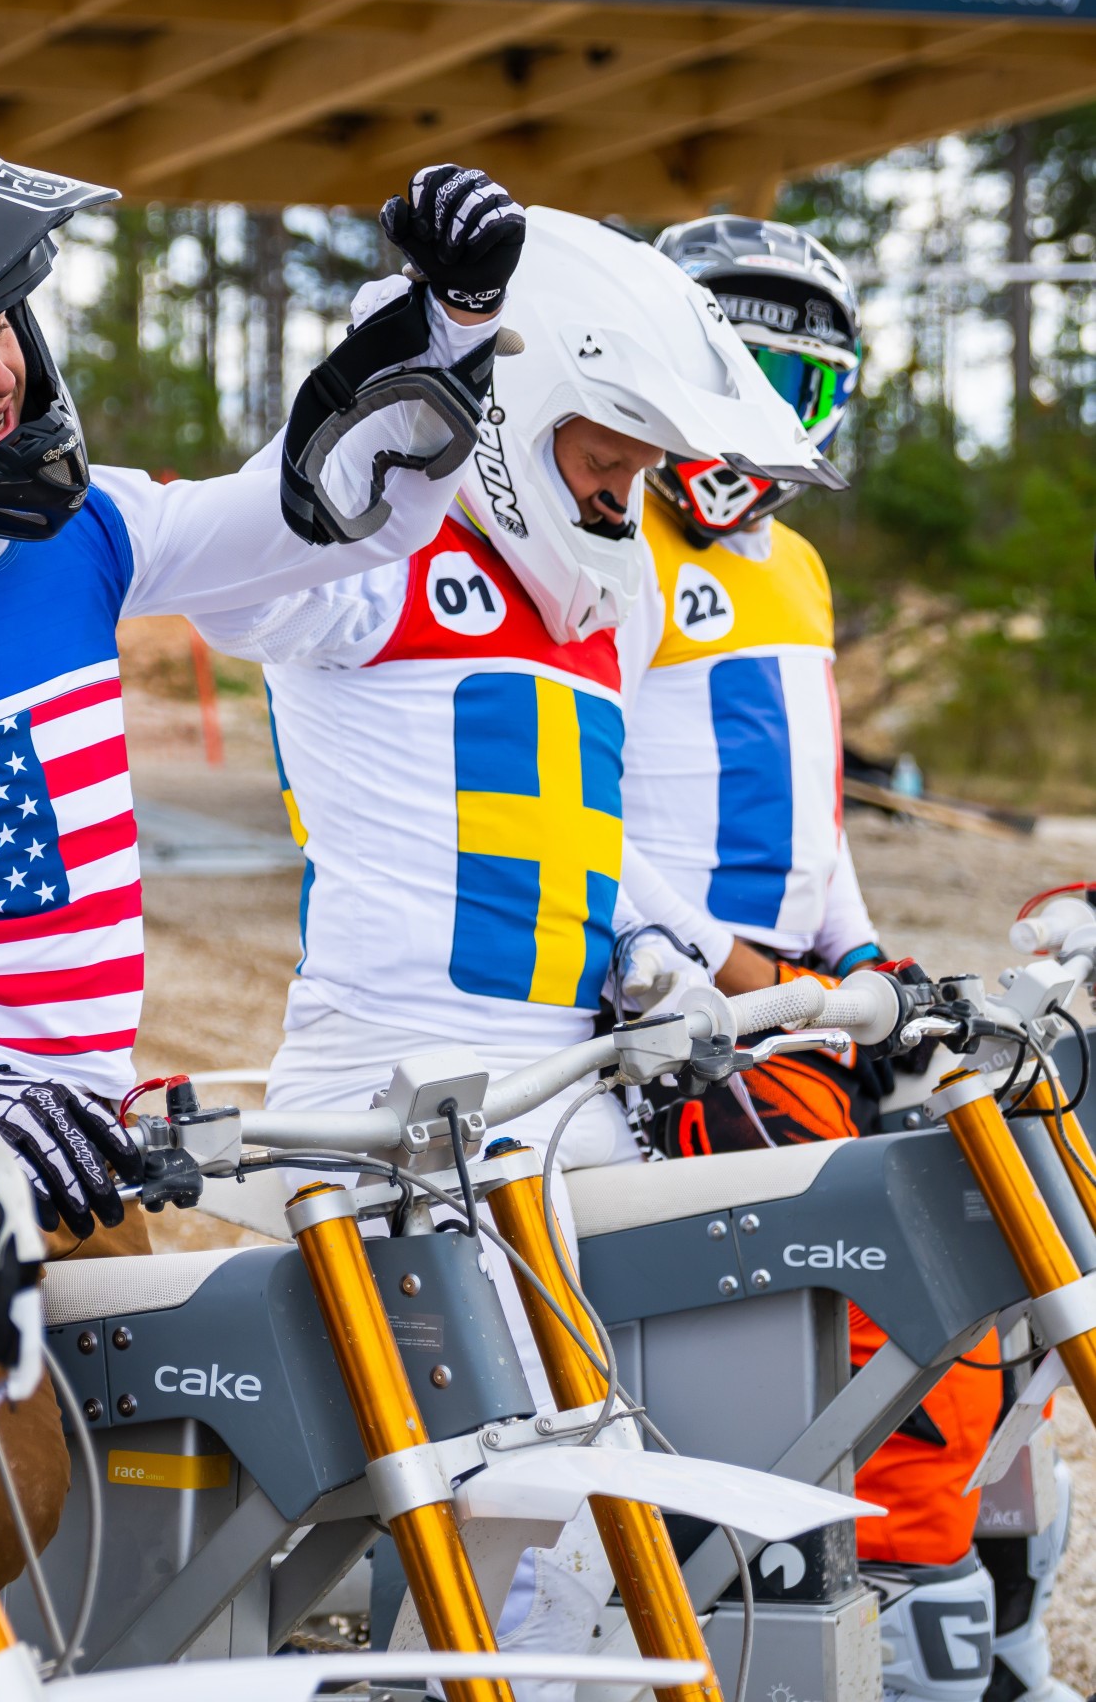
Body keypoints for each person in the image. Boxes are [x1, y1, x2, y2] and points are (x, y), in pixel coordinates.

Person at [0, 132, 526, 1585]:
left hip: (62, 1146)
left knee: (312, 1418)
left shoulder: (82, 528)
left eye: (2, 319)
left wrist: (448, 326)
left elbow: (320, 519)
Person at [194, 202, 831, 1679]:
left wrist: (730, 975)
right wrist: (411, 354)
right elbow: (243, 560)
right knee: (423, 1504)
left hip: (567, 1097)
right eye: (602, 446)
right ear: (511, 410)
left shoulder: (601, 596)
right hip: (391, 1102)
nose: (630, 484)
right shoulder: (368, 569)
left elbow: (603, 851)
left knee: (606, 1505)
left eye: (643, 457)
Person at [617, 215, 1067, 1702]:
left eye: (804, 391)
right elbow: (575, 800)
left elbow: (808, 801)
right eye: (739, 374)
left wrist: (864, 949)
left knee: (1003, 1260)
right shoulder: (609, 550)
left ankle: (985, 1620)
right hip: (698, 1013)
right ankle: (886, 1621)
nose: (766, 424)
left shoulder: (794, 566)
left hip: (817, 987)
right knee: (875, 1308)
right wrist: (730, 971)